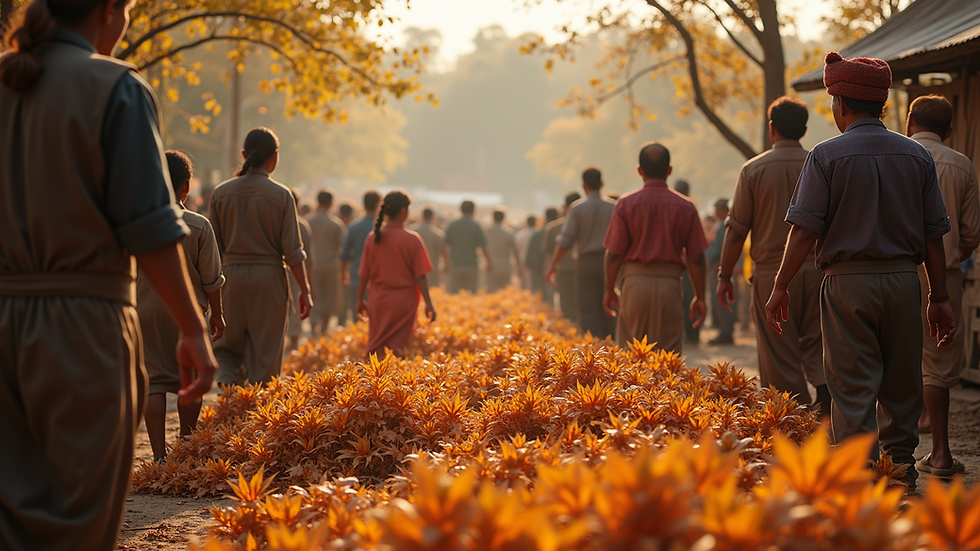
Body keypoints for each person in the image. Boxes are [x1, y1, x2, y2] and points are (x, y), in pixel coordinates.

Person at [0, 0, 217, 547]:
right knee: (80, 516)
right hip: (84, 326)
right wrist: (192, 329)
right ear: (108, 11)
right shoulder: (116, 87)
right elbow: (148, 226)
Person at [766, 52, 954, 487]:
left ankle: (859, 475)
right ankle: (901, 470)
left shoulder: (826, 156)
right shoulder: (916, 156)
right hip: (906, 281)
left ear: (842, 105)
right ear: (881, 105)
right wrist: (938, 296)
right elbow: (933, 237)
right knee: (902, 379)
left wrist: (781, 285)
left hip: (847, 285)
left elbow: (804, 232)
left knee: (851, 384)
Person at [716, 96, 829, 413]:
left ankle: (794, 419)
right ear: (804, 130)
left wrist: (725, 276)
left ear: (771, 129)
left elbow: (737, 230)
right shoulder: (821, 163)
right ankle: (826, 401)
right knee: (819, 343)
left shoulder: (753, 169)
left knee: (779, 353)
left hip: (771, 274)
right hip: (819, 271)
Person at [907, 94, 980, 476]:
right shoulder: (961, 165)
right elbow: (972, 234)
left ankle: (894, 454)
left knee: (895, 355)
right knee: (938, 365)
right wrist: (951, 252)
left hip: (897, 274)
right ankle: (939, 454)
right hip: (946, 278)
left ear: (909, 121)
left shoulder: (895, 155)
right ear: (949, 130)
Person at [138, 151, 225, 462]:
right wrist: (217, 313)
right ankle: (186, 445)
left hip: (144, 310)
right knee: (189, 378)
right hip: (187, 312)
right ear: (185, 188)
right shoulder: (198, 225)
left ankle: (159, 456)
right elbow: (211, 277)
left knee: (154, 381)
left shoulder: (137, 224)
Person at [210, 127, 311, 386]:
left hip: (229, 276)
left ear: (244, 154)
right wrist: (305, 290)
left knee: (226, 345)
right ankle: (255, 406)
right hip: (270, 279)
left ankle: (226, 381)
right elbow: (293, 252)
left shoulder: (221, 192)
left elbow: (212, 247)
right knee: (265, 350)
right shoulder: (281, 195)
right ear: (275, 157)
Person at [603, 143, 708, 353]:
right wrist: (700, 297)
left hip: (633, 286)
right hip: (669, 285)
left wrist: (609, 289)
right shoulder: (686, 206)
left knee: (631, 355)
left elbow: (614, 254)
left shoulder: (625, 204)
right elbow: (696, 258)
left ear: (639, 171)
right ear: (669, 170)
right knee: (667, 357)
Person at [357, 191, 436, 356]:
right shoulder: (412, 239)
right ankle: (394, 380)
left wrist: (359, 300)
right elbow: (420, 275)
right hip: (403, 301)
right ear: (403, 212)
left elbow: (364, 274)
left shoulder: (373, 238)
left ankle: (374, 379)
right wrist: (428, 303)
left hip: (378, 299)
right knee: (397, 346)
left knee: (376, 343)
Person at [547, 167, 616, 338]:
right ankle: (610, 346)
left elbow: (565, 241)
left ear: (584, 186)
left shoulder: (577, 208)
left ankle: (593, 349)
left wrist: (553, 265)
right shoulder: (614, 208)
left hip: (585, 262)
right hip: (610, 262)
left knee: (587, 308)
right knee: (609, 304)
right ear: (602, 184)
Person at [307, 189, 346, 334]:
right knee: (330, 296)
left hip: (312, 265)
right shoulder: (336, 224)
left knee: (314, 293)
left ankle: (313, 323)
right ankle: (324, 326)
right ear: (331, 203)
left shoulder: (308, 222)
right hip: (330, 265)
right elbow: (342, 248)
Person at [340, 191, 380, 325]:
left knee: (357, 313)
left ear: (363, 205)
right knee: (376, 316)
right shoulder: (382, 228)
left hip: (357, 274)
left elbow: (344, 254)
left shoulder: (354, 227)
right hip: (378, 278)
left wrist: (342, 273)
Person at [545, 192, 581, 322]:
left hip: (563, 270)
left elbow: (549, 253)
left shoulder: (554, 227)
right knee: (582, 305)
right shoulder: (586, 222)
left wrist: (549, 269)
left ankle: (570, 334)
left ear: (565, 207)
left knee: (566, 305)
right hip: (581, 269)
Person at [286, 187, 314, 351]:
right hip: (297, 270)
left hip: (279, 271)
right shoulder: (302, 226)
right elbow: (309, 257)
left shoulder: (274, 221)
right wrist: (308, 282)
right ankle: (294, 340)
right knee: (297, 303)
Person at [674, 180, 702, 345]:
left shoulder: (674, 206)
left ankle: (687, 333)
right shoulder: (691, 207)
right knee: (693, 297)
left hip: (678, 263)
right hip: (690, 262)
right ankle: (693, 333)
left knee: (683, 300)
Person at [443, 200, 492, 294]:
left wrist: (446, 263)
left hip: (455, 265)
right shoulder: (476, 226)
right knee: (470, 295)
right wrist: (489, 262)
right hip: (472, 265)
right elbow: (484, 247)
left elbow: (445, 246)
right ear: (473, 211)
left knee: (454, 294)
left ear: (460, 210)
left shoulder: (453, 225)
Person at [705, 197, 736, 344]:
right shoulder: (723, 225)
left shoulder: (724, 226)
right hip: (722, 266)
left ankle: (725, 331)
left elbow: (718, 250)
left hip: (720, 267)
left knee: (723, 299)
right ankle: (725, 330)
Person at [485, 208, 522, 292]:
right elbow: (515, 251)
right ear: (504, 218)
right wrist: (519, 267)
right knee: (504, 292)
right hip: (505, 265)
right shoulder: (509, 232)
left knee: (490, 291)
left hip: (490, 265)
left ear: (492, 217)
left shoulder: (486, 231)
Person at [527, 208, 558, 299]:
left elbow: (529, 255)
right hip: (556, 270)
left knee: (539, 295)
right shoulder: (560, 230)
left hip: (538, 269)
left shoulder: (537, 234)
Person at [411, 207, 445, 287]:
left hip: (414, 268)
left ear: (421, 216)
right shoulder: (438, 234)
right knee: (432, 291)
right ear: (433, 217)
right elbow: (442, 252)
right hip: (432, 267)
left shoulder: (412, 231)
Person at [516, 215, 537, 289]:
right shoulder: (538, 234)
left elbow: (516, 251)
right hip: (536, 263)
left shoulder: (521, 235)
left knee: (524, 285)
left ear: (527, 223)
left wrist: (517, 266)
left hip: (523, 262)